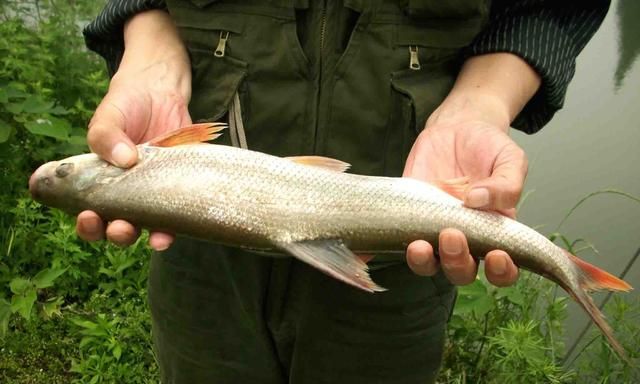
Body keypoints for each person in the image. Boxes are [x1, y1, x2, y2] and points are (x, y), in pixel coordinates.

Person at [78, 1, 609, 382]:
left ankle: (565, 269)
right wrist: (151, 54)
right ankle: (566, 267)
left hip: (393, 269)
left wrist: (482, 102)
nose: (57, 170)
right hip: (203, 258)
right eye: (63, 175)